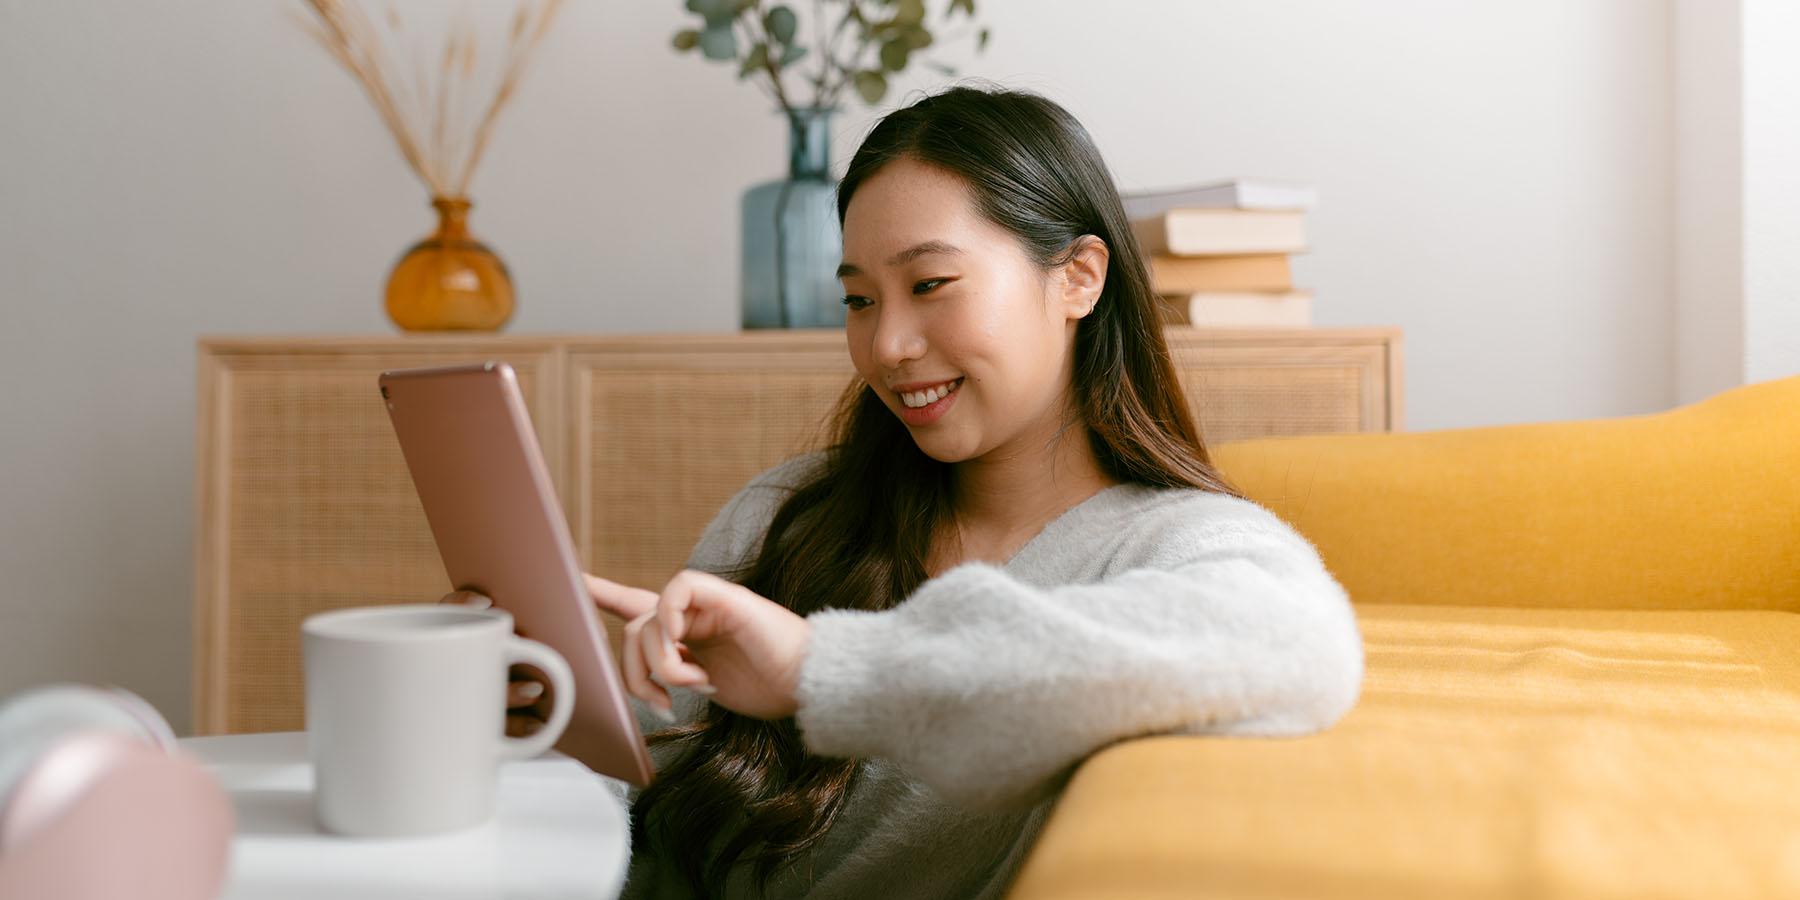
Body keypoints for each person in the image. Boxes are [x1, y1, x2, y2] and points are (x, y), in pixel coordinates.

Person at [489, 83, 1363, 899]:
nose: (888, 345)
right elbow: (646, 808)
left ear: (1079, 278)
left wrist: (817, 670)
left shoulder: (1175, 542)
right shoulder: (789, 508)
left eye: (930, 284)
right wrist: (545, 726)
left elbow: (1300, 645)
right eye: (860, 300)